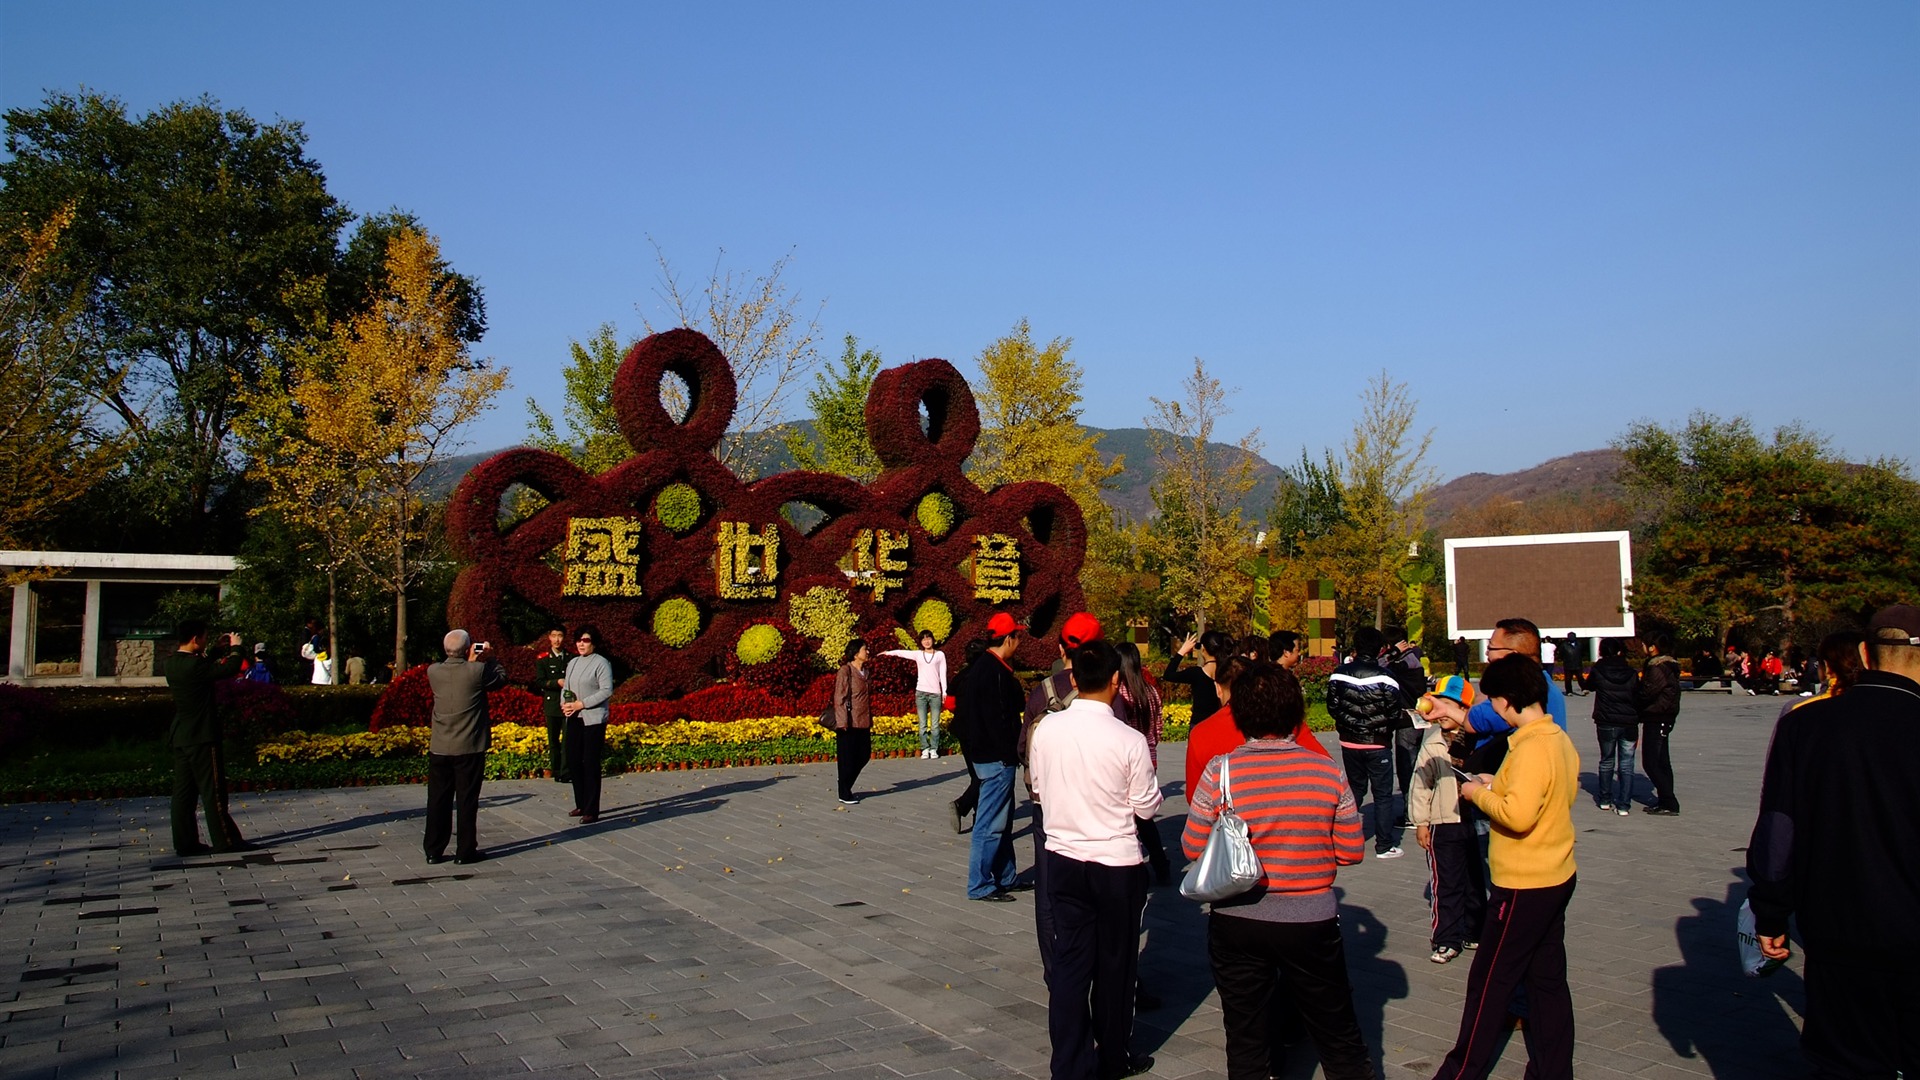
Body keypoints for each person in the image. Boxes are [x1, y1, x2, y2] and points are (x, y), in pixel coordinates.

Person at [1748, 604, 1920, 1078]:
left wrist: (1770, 908)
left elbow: (1779, 830)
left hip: (1842, 928)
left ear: (1865, 653)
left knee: (1851, 1062)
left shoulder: (1808, 722)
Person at [1183, 661, 1372, 1080]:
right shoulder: (1327, 771)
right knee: (1338, 1034)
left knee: (1247, 1037)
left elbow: (1193, 846)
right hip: (1311, 919)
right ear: (1296, 712)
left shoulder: (1221, 771)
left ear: (1241, 713)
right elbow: (1352, 851)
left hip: (1237, 919)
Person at [1429, 654, 1579, 1080]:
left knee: (1489, 984)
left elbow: (1518, 815)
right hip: (1556, 873)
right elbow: (1554, 793)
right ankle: (1553, 1070)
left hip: (1523, 882)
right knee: (1546, 982)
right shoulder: (1555, 738)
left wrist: (1479, 794)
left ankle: (1461, 1072)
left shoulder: (1531, 746)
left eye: (1494, 699)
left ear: (1510, 700)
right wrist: (1500, 784)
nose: (1493, 708)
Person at [1028, 640, 1162, 1080]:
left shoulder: (1047, 729)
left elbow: (1040, 791)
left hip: (1063, 859)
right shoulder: (1128, 738)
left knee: (1069, 965)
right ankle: (1112, 1057)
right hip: (1116, 864)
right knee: (1116, 967)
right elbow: (1146, 807)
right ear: (1115, 680)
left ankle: (1068, 1062)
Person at [1022, 613, 1113, 978]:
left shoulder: (1040, 691)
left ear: (1061, 649)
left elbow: (1022, 748)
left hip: (1049, 804)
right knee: (1102, 888)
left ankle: (1054, 967)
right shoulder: (1110, 693)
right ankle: (1105, 965)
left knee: (1048, 890)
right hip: (1100, 806)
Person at [1409, 675, 1485, 965]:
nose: (1439, 711)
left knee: (1476, 883)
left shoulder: (1479, 739)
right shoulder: (1432, 742)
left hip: (1477, 821)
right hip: (1444, 822)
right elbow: (1420, 785)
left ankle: (1475, 930)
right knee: (1447, 884)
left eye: (1448, 705)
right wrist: (1422, 822)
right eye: (1436, 703)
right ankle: (1446, 939)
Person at [952, 612, 1026, 901]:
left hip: (986, 756)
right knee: (990, 824)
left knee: (1002, 820)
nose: (1019, 642)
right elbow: (1000, 719)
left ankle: (1005, 876)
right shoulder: (994, 673)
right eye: (1017, 637)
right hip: (996, 758)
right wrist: (1011, 753)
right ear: (1008, 639)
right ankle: (980, 883)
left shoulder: (982, 668)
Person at [164, 620, 251, 855]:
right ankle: (226, 840)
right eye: (203, 637)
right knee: (213, 791)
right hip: (202, 735)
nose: (204, 641)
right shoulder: (195, 667)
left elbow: (202, 667)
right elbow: (228, 669)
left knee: (183, 794)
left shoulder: (171, 664)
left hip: (181, 735)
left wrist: (214, 650)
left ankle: (185, 842)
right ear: (195, 639)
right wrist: (236, 648)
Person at [1328, 625, 1411, 859]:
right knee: (1383, 794)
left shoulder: (1339, 673)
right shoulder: (1387, 677)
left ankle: (1342, 839)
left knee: (1355, 789)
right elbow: (1394, 711)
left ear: (1355, 646)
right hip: (1378, 743)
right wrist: (1379, 727)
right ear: (1380, 649)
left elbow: (1333, 707)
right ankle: (1384, 846)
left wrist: (1350, 725)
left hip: (1349, 742)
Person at [424, 629, 505, 864]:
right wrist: (489, 657)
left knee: (438, 799)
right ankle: (465, 850)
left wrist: (469, 660)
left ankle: (433, 850)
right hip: (468, 746)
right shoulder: (478, 670)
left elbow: (460, 677)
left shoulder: (434, 671)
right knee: (467, 800)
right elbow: (499, 678)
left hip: (440, 745)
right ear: (469, 647)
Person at [1115, 642, 1169, 886]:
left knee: (1126, 817)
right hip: (1148, 758)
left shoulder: (1118, 694)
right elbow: (1158, 729)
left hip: (1125, 761)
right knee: (1144, 818)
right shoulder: (1150, 691)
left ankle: (1135, 866)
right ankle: (1161, 865)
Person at [561, 625, 614, 823]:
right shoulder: (573, 662)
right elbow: (566, 687)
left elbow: (606, 690)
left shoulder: (601, 663)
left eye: (586, 640)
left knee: (590, 762)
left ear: (593, 643)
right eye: (578, 640)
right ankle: (581, 802)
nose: (581, 644)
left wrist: (581, 704)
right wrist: (565, 705)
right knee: (573, 760)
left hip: (593, 719)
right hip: (574, 717)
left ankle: (592, 808)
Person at [1585, 638, 1638, 815]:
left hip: (1606, 720)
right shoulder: (1631, 672)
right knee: (1627, 764)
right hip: (1629, 721)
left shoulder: (1599, 670)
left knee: (1607, 760)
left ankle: (1605, 799)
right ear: (1619, 651)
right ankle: (1624, 805)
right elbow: (1638, 693)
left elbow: (1589, 686)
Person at [1382, 627, 1428, 829]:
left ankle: (1412, 814)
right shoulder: (1412, 659)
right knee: (1412, 763)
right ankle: (1416, 811)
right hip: (1416, 719)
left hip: (1407, 721)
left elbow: (1377, 668)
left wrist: (1393, 655)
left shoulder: (1402, 663)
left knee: (1407, 767)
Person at [882, 630, 949, 760]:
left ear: (932, 640)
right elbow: (903, 653)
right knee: (922, 723)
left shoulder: (940, 655)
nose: (926, 641)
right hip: (921, 693)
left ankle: (934, 749)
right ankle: (925, 748)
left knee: (935, 724)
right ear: (921, 642)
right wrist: (888, 653)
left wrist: (944, 691)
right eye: (924, 639)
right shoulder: (918, 655)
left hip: (935, 693)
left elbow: (943, 674)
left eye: (928, 638)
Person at [1635, 633, 1682, 816]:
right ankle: (1665, 799)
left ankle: (1670, 801)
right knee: (1662, 761)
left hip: (1657, 715)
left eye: (1645, 644)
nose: (1643, 648)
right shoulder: (1668, 665)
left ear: (1653, 647)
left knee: (1652, 762)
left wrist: (1636, 694)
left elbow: (1647, 692)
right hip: (1663, 715)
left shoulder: (1658, 667)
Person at [948, 636, 990, 832]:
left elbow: (949, 704)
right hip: (981, 731)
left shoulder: (960, 676)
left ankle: (976, 815)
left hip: (962, 730)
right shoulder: (988, 675)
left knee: (976, 775)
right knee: (982, 777)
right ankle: (963, 806)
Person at [831, 639, 873, 804]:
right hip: (848, 722)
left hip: (863, 720)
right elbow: (839, 697)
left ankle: (845, 784)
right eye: (865, 649)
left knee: (864, 755)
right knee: (847, 759)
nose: (867, 652)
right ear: (856, 653)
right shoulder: (845, 671)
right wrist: (842, 723)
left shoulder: (866, 672)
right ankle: (844, 792)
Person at [1164, 628, 1234, 722]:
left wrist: (1182, 651)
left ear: (1203, 649)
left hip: (1199, 724)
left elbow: (1168, 674)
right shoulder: (1228, 671)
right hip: (1219, 722)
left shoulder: (1196, 673)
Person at [533, 627, 570, 783]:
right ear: (549, 637)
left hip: (568, 703)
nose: (557, 640)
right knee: (553, 740)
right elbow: (540, 681)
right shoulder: (543, 659)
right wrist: (556, 682)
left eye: (560, 636)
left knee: (567, 740)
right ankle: (555, 770)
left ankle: (566, 771)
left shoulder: (571, 658)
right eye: (554, 636)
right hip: (552, 703)